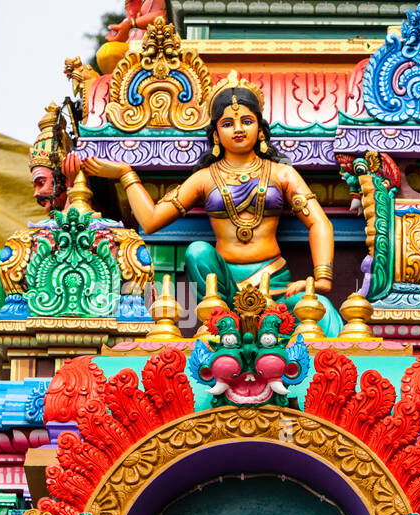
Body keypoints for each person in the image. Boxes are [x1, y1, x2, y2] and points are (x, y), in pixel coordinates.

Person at [67, 72, 344, 336]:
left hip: (275, 285)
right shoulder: (204, 179)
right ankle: (220, 324)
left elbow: (319, 222)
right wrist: (126, 174)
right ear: (215, 135)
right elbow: (150, 221)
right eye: (227, 124)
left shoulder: (281, 173)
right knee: (198, 252)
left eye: (246, 121)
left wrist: (321, 279)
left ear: (259, 128)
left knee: (323, 312)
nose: (238, 129)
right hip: (222, 287)